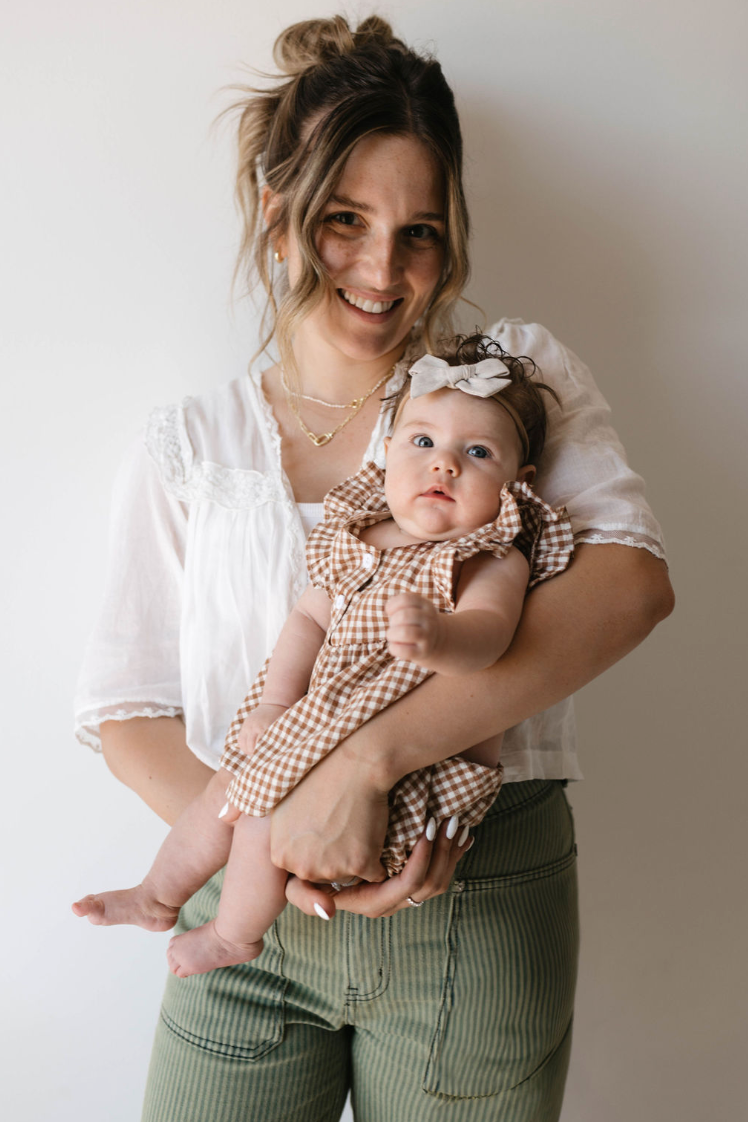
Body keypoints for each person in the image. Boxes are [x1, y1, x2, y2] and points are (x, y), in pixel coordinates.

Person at [73, 14, 673, 1121]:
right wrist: (282, 837)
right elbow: (129, 711)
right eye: (344, 221)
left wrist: (367, 776)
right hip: (239, 915)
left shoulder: (514, 385)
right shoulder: (191, 445)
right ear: (276, 215)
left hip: (475, 890)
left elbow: (631, 588)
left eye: (420, 232)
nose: (382, 269)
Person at [73, 337, 574, 979]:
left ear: (516, 485)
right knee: (224, 794)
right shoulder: (359, 535)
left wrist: (440, 638)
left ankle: (234, 935)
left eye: (477, 453)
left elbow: (492, 635)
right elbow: (308, 619)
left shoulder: (488, 557)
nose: (443, 465)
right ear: (387, 451)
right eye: (423, 443)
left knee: (260, 824)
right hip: (317, 722)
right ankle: (157, 894)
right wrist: (277, 704)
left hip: (406, 760)